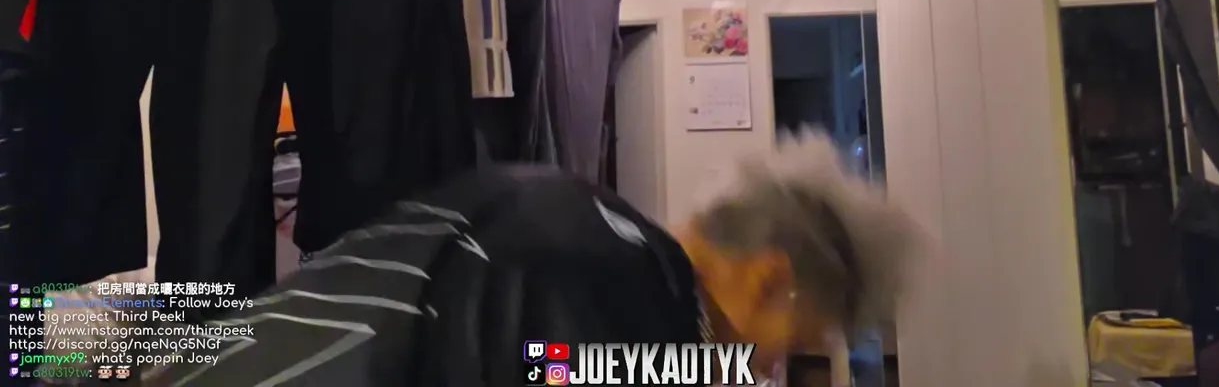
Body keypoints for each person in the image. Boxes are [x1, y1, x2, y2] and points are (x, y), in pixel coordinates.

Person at [143, 131, 918, 385]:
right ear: (773, 278)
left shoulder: (576, 210)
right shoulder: (627, 306)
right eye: (796, 342)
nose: (772, 366)